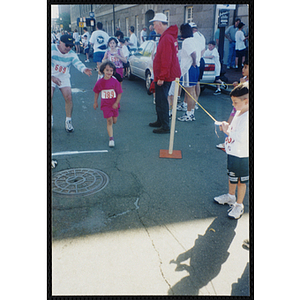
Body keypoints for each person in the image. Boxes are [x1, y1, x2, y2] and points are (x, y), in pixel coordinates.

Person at [214, 82, 249, 219]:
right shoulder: (239, 113)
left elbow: (243, 137)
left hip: (243, 155)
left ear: (246, 101)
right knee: (232, 175)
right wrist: (228, 126)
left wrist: (228, 131)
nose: (233, 105)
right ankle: (230, 196)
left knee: (241, 181)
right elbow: (234, 130)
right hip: (233, 152)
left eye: (235, 102)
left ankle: (239, 205)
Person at [51, 34, 92, 132]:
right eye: (66, 45)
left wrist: (84, 69)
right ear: (60, 42)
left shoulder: (71, 54)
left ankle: (68, 121)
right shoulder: (52, 49)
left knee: (68, 97)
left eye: (71, 46)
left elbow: (77, 62)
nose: (69, 48)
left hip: (63, 76)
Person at [148, 13, 181, 133]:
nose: (153, 27)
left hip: (164, 76)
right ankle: (160, 121)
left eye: (155, 24)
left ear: (160, 24)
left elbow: (166, 59)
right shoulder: (167, 36)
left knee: (162, 100)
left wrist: (161, 76)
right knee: (160, 99)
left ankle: (165, 125)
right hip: (164, 74)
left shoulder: (166, 38)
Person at [216, 59, 249, 150]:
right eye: (243, 66)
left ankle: (232, 141)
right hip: (237, 107)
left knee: (238, 125)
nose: (243, 69)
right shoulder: (245, 79)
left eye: (246, 67)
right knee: (231, 122)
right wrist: (238, 85)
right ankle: (227, 141)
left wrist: (242, 84)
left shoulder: (245, 81)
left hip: (243, 108)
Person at [93, 61, 123, 147]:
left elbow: (120, 92)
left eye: (111, 70)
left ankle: (111, 129)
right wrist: (95, 102)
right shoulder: (100, 82)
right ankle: (111, 138)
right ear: (103, 71)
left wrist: (117, 102)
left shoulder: (115, 82)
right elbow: (96, 91)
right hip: (105, 105)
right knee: (109, 121)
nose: (109, 72)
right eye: (107, 70)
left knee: (114, 121)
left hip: (114, 104)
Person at [177, 23, 200, 122]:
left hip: (188, 68)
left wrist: (193, 62)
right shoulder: (195, 40)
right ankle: (191, 113)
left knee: (189, 93)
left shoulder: (186, 41)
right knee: (192, 92)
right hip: (195, 68)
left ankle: (189, 114)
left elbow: (193, 53)